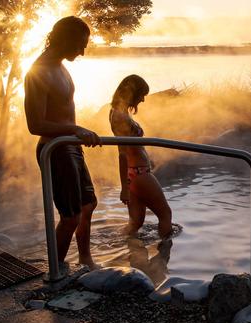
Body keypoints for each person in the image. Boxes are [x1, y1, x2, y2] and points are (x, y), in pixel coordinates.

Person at [24, 16, 101, 271]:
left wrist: (75, 134)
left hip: (70, 145)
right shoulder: (40, 71)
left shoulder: (60, 66)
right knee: (70, 216)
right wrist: (75, 129)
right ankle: (55, 272)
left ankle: (85, 260)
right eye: (80, 44)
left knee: (88, 205)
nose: (82, 51)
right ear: (65, 39)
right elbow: (35, 124)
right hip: (55, 150)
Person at [109, 74, 173, 239]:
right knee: (165, 214)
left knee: (136, 222)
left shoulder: (120, 113)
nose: (143, 100)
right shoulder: (119, 117)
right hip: (139, 174)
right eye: (142, 95)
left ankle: (122, 250)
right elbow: (122, 154)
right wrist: (124, 188)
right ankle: (164, 257)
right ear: (133, 93)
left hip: (135, 174)